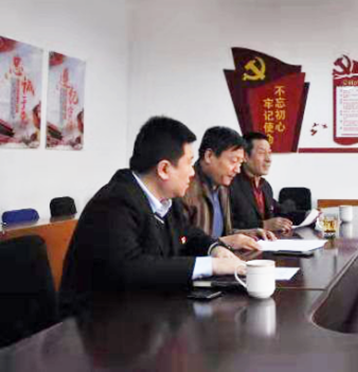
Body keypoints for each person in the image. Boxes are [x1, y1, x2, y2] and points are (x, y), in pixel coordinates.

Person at [59, 116, 246, 316]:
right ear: (164, 169)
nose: (192, 172)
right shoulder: (115, 201)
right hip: (94, 321)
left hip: (144, 312)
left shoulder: (167, 200)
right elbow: (131, 268)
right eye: (189, 163)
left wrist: (215, 249)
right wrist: (212, 266)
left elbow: (187, 234)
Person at [181, 126, 275, 246]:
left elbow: (221, 234)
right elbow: (181, 242)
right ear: (209, 156)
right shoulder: (185, 188)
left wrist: (247, 233)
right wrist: (220, 243)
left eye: (240, 163)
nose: (237, 170)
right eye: (233, 161)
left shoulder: (222, 187)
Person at [230, 132, 300, 235]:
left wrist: (308, 215)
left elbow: (281, 212)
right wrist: (263, 224)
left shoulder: (265, 186)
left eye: (269, 153)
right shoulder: (230, 185)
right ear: (245, 156)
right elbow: (227, 225)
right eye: (262, 153)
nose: (268, 159)